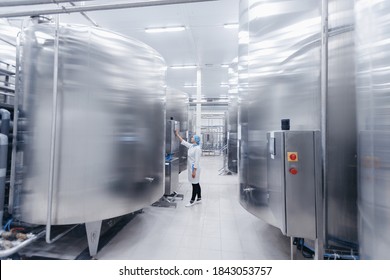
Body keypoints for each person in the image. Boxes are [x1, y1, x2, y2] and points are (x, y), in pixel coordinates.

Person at [175, 130, 202, 207]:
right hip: (192, 168)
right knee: (196, 183)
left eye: (193, 137)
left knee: (194, 184)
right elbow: (184, 142)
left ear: (196, 140)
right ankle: (199, 198)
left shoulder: (197, 149)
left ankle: (192, 200)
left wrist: (194, 171)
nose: (191, 138)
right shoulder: (192, 146)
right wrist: (177, 135)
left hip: (194, 168)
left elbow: (196, 161)